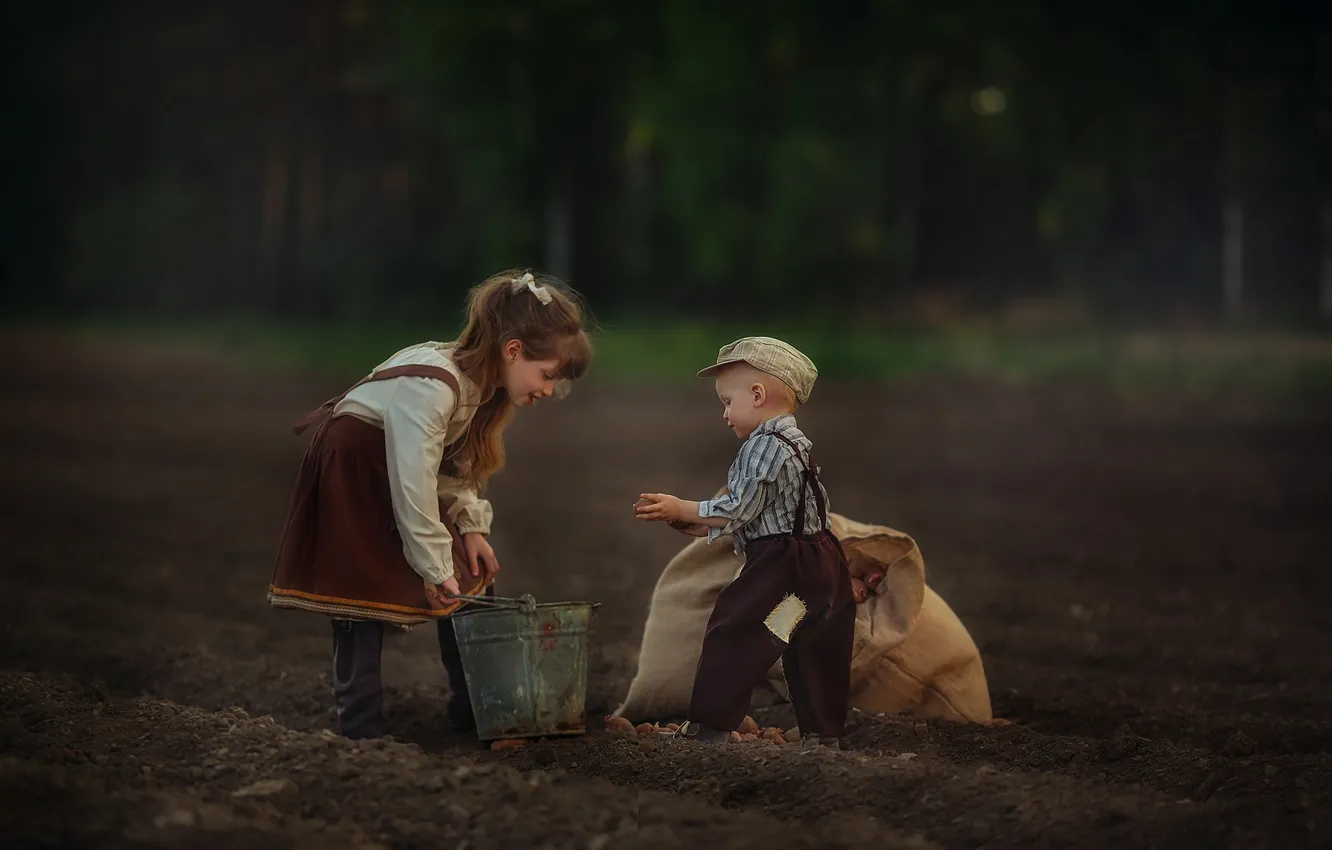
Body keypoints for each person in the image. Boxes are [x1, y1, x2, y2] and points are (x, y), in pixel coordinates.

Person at [269, 269, 592, 739]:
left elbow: (451, 467)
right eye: (547, 376)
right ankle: (359, 731)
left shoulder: (483, 388)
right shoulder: (434, 385)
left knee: (471, 574)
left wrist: (470, 527)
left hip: (400, 472)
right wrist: (433, 565)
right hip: (356, 469)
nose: (547, 390)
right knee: (360, 593)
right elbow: (414, 479)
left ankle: (482, 716)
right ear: (514, 350)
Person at [634, 336, 855, 748]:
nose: (724, 414)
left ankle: (710, 727)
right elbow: (766, 509)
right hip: (820, 565)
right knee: (810, 641)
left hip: (784, 566)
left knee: (737, 629)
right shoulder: (796, 443)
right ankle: (824, 735)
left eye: (727, 401)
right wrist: (708, 526)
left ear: (757, 395)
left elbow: (738, 505)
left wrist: (684, 508)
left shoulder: (764, 446)